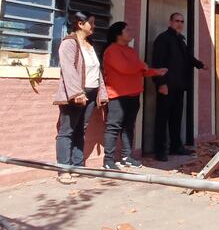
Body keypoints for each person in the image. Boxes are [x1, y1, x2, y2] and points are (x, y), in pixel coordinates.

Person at [53, 11, 108, 184]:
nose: (94, 26)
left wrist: (102, 92)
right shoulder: (69, 43)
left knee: (80, 130)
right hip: (75, 94)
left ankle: (77, 166)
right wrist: (77, 93)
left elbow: (96, 71)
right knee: (67, 131)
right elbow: (68, 69)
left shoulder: (90, 44)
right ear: (80, 24)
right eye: (91, 23)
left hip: (91, 94)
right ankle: (64, 169)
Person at [102, 21, 166, 169]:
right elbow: (125, 68)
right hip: (117, 96)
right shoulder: (112, 50)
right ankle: (108, 160)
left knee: (128, 127)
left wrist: (155, 71)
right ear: (119, 34)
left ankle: (126, 156)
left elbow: (140, 70)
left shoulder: (131, 51)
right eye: (127, 30)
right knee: (113, 127)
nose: (130, 32)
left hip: (133, 94)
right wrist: (142, 66)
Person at [151, 13, 206, 162]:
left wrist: (200, 65)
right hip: (166, 86)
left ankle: (176, 146)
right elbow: (157, 62)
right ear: (170, 22)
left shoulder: (181, 40)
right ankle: (160, 151)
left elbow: (188, 57)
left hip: (179, 85)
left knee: (176, 118)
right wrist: (161, 83)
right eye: (177, 21)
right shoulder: (163, 39)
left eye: (182, 21)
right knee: (162, 119)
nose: (179, 24)